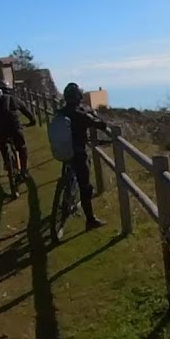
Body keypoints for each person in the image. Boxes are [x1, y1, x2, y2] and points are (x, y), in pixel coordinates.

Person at [60, 82, 109, 230]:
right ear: (78, 97)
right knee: (85, 186)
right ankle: (90, 220)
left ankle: (65, 202)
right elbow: (101, 124)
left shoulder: (61, 112)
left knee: (68, 175)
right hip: (79, 152)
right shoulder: (80, 114)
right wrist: (93, 115)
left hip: (64, 150)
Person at [0, 84, 37, 180]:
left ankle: (6, 162)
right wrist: (32, 121)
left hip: (1, 129)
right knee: (22, 147)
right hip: (15, 127)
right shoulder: (15, 99)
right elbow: (27, 111)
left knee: (2, 145)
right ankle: (24, 170)